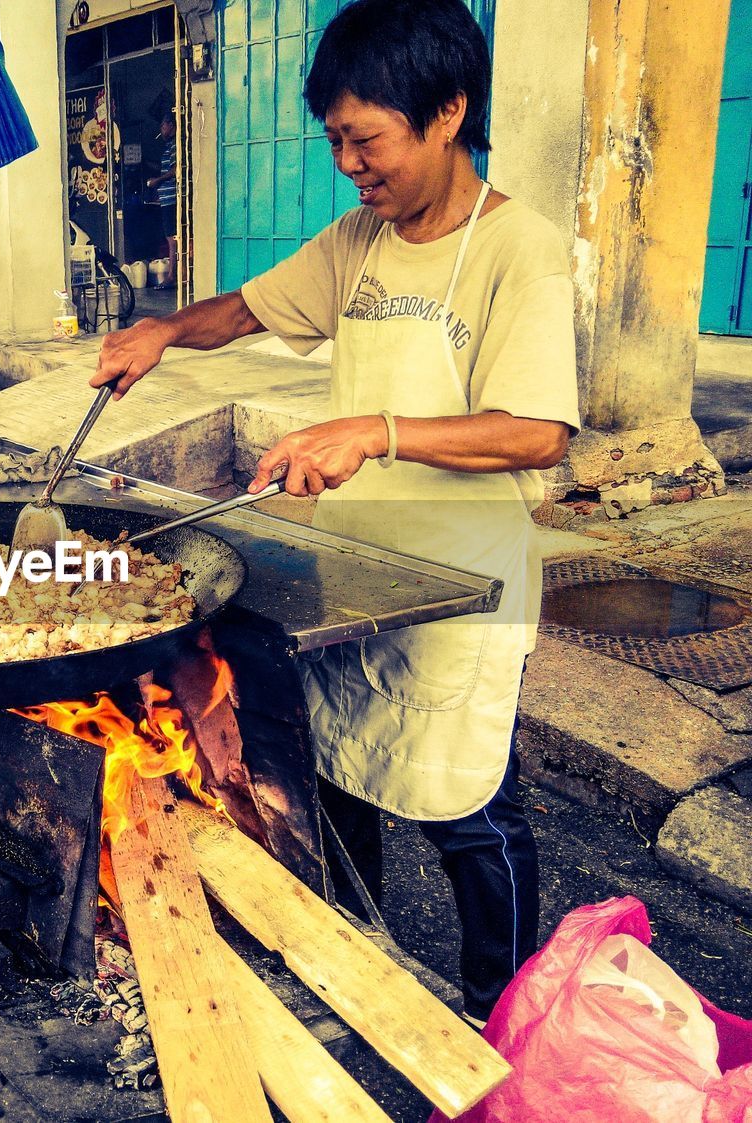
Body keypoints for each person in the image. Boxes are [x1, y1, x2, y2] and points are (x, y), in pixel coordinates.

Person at [91, 0, 580, 1027]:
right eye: (334, 142)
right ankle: (355, 953)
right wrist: (164, 331)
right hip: (354, 575)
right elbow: (252, 308)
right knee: (342, 766)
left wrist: (373, 430)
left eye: (366, 140)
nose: (349, 164)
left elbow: (537, 432)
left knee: (467, 808)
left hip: (460, 584)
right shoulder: (358, 239)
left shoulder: (518, 252)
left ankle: (501, 1014)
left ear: (445, 113)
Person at [146, 108, 178, 286]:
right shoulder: (169, 145)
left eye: (162, 125)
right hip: (167, 198)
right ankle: (173, 274)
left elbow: (176, 170)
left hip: (172, 198)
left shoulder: (175, 145)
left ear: (170, 125)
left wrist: (157, 181)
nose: (161, 129)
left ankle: (171, 276)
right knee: (171, 237)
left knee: (171, 238)